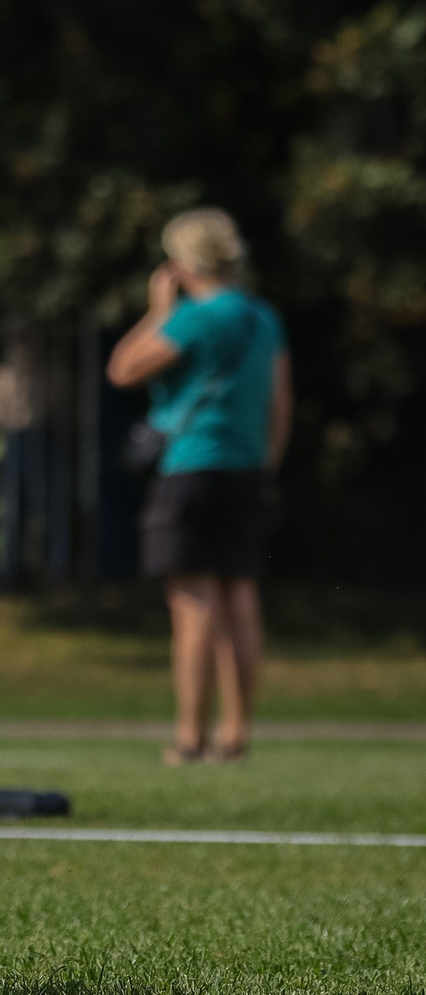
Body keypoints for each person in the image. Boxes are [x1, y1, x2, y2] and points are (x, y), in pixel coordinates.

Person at [106, 207, 289, 765]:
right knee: (240, 597)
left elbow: (123, 369)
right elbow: (281, 403)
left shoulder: (195, 318)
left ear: (183, 263)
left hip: (190, 468)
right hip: (246, 469)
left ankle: (190, 736)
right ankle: (236, 734)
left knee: (193, 603)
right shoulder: (262, 318)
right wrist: (266, 467)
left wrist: (158, 311)